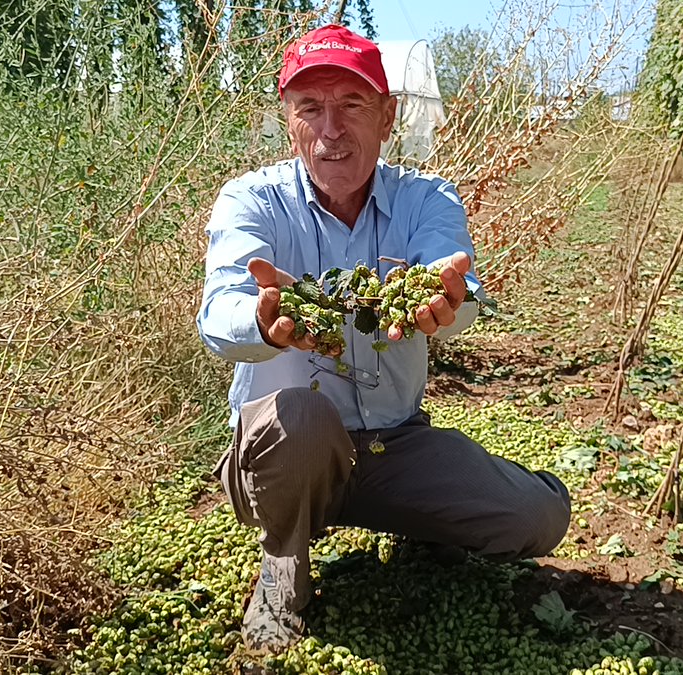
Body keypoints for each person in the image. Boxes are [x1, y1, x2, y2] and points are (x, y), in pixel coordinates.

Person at [196, 24, 571, 657]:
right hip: (287, 455)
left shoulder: (427, 199)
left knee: (537, 519)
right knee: (304, 418)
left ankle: (420, 519)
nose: (330, 129)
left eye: (352, 105)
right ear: (288, 118)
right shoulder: (250, 200)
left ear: (389, 116)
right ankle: (283, 563)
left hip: (393, 443)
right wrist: (262, 320)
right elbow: (218, 315)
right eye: (310, 108)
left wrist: (444, 301)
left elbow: (454, 282)